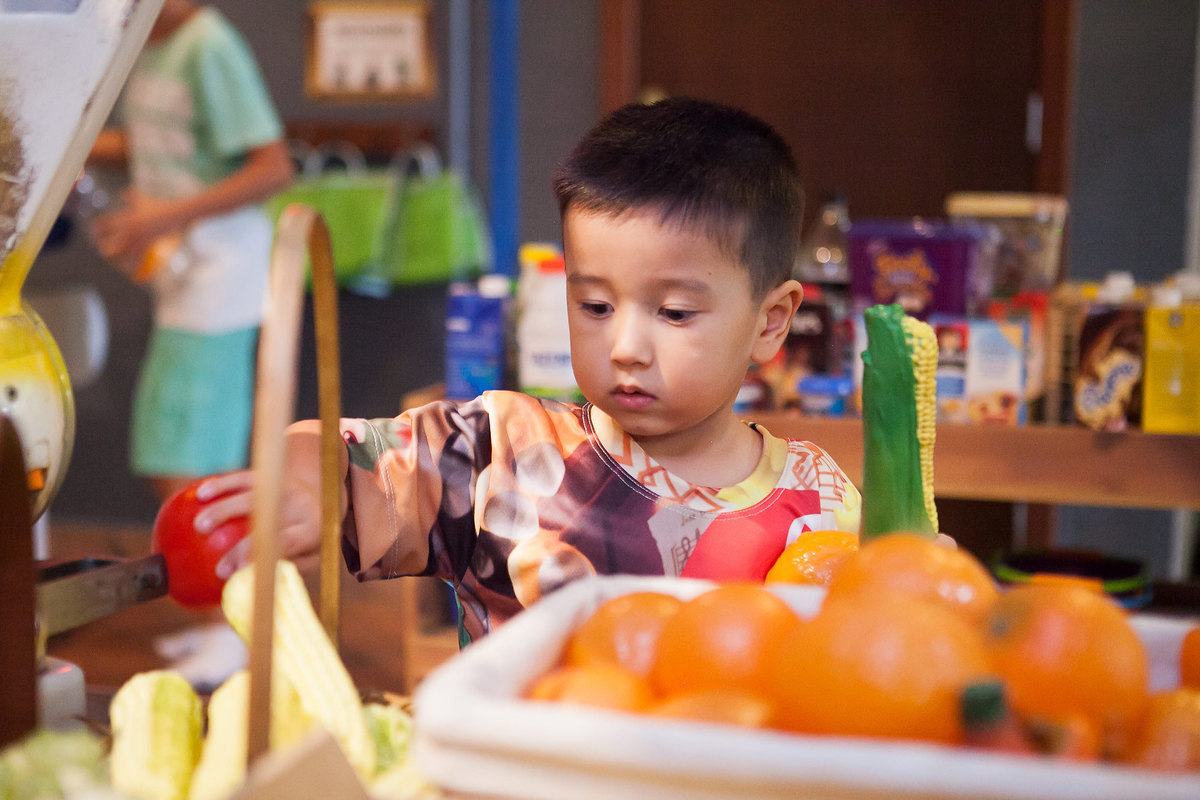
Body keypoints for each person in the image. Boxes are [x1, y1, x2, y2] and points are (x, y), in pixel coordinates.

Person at [194, 97, 862, 644]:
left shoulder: (821, 504)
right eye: (595, 305)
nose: (626, 346)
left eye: (675, 312)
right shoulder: (501, 452)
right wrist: (306, 489)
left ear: (771, 322)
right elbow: (335, 452)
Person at [87, 0, 293, 688]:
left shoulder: (210, 46)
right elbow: (166, 143)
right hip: (183, 278)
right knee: (189, 457)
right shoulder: (148, 44)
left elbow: (273, 168)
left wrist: (161, 218)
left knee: (188, 460)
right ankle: (224, 620)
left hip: (221, 279)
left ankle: (231, 629)